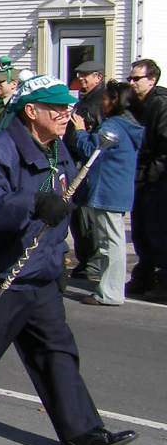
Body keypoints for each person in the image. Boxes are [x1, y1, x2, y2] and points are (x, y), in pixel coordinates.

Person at [0, 75, 138, 445]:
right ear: (32, 112)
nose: (67, 114)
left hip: (42, 272)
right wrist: (33, 203)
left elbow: (66, 194)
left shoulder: (55, 148)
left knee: (58, 352)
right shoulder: (0, 150)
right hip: (2, 273)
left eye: (68, 107)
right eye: (57, 108)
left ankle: (80, 432)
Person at [70, 81, 142, 306]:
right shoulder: (128, 124)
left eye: (106, 98)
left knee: (110, 242)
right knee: (111, 241)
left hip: (108, 189)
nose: (102, 102)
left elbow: (92, 150)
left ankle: (110, 292)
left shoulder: (114, 127)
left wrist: (80, 131)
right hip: (117, 188)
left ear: (115, 101)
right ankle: (108, 286)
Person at [126, 59, 167, 297]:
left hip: (157, 179)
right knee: (142, 229)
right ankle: (144, 277)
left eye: (136, 79)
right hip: (141, 177)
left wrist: (151, 173)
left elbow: (164, 146)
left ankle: (162, 281)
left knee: (157, 230)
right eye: (130, 78)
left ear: (151, 80)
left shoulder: (160, 104)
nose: (132, 83)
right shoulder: (137, 104)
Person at [65, 60, 106, 278]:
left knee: (87, 216)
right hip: (75, 160)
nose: (82, 79)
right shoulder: (84, 99)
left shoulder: (100, 101)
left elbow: (95, 137)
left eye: (86, 75)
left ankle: (94, 263)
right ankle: (85, 260)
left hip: (87, 164)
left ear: (98, 77)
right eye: (80, 75)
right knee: (77, 214)